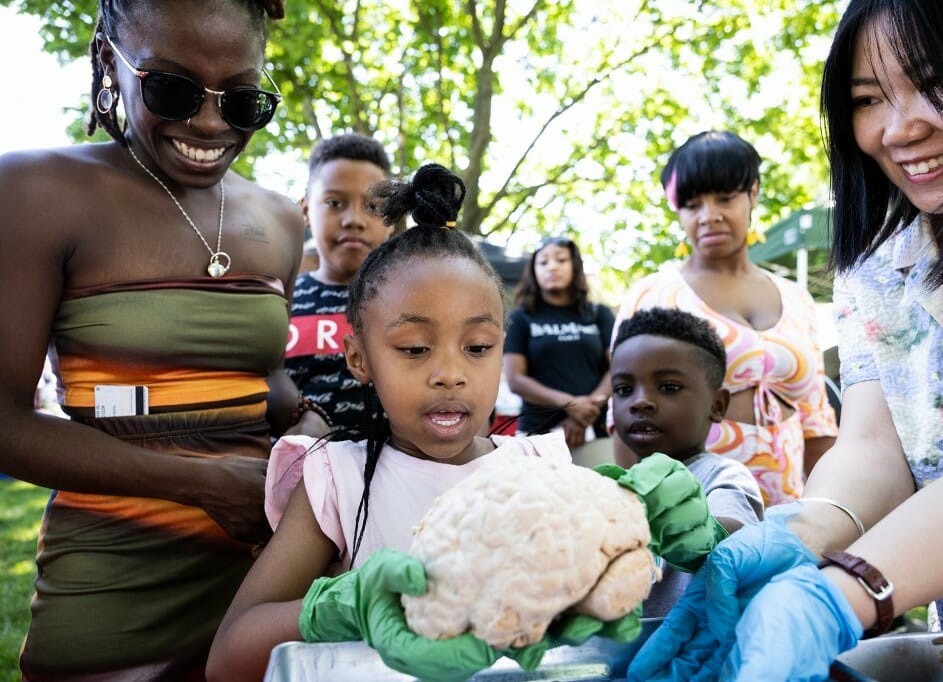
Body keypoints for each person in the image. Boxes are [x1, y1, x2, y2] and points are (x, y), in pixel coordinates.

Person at [206, 164, 729, 681]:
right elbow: (228, 658)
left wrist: (668, 533)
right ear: (360, 358)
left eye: (478, 347)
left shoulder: (541, 467)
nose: (450, 374)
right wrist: (342, 606)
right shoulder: (334, 481)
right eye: (414, 348)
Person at [627, 1, 943, 680]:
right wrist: (799, 534)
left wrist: (843, 588)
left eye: (934, 84)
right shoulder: (875, 268)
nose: (902, 128)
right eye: (869, 99)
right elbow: (873, 446)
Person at [0, 1, 317, 678]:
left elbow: (264, 380)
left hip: (258, 592)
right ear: (111, 58)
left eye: (241, 100)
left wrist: (308, 424)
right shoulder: (34, 192)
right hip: (116, 598)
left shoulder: (281, 220)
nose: (207, 123)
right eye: (171, 88)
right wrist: (199, 483)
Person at [613, 130, 838, 506]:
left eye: (725, 198)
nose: (709, 216)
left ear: (753, 193)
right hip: (694, 508)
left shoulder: (796, 298)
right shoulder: (653, 295)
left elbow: (816, 421)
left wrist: (826, 511)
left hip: (789, 510)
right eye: (692, 204)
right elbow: (625, 423)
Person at [609, 307, 764, 618]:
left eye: (668, 387)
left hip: (701, 651)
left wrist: (703, 532)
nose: (640, 401)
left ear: (717, 404)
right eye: (624, 389)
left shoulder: (722, 475)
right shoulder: (612, 491)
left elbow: (732, 530)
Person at [285, 133, 397, 438]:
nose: (354, 220)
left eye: (373, 206)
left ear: (391, 219)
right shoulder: (279, 303)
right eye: (335, 203)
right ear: (306, 211)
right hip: (296, 474)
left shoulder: (408, 303)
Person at [503, 236, 615, 460]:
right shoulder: (521, 318)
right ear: (533, 271)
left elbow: (618, 368)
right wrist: (570, 404)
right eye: (543, 262)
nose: (552, 266)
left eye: (561, 259)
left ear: (575, 265)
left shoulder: (598, 314)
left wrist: (585, 413)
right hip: (537, 435)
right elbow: (515, 379)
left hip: (595, 430)